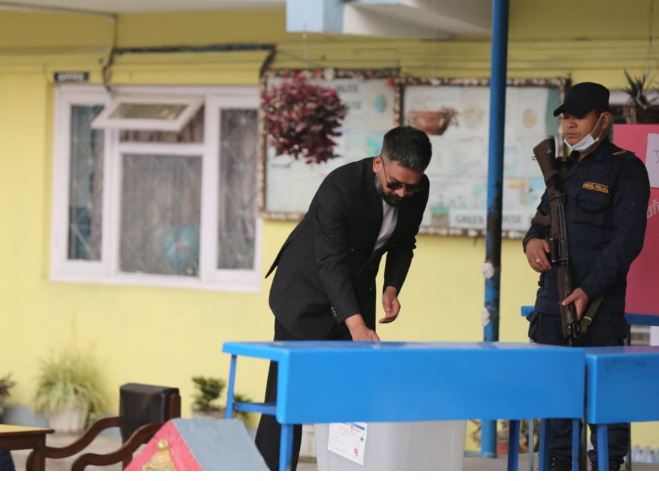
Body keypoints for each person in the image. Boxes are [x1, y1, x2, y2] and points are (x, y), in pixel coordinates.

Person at [255, 126, 432, 470]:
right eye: (395, 184)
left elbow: (404, 242)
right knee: (288, 399)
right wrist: (356, 325)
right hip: (305, 293)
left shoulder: (417, 189)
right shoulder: (340, 186)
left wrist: (392, 288)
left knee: (352, 400)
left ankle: (345, 471)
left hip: (355, 292)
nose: (402, 193)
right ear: (378, 163)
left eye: (410, 187)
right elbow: (330, 261)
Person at [523, 82, 650, 470]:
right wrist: (531, 243)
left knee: (607, 405)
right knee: (555, 405)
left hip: (599, 308)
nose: (570, 125)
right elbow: (539, 223)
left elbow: (627, 241)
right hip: (552, 305)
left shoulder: (626, 168)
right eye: (565, 118)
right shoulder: (561, 171)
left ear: (604, 120)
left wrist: (587, 290)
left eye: (579, 117)